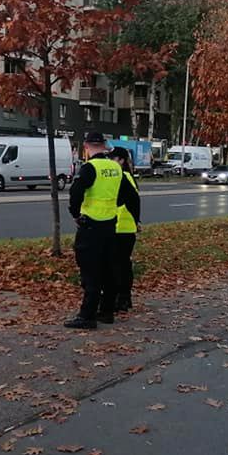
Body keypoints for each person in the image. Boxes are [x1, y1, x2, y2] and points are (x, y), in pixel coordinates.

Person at [65, 131, 141, 329]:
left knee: (90, 270)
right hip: (110, 225)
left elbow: (76, 192)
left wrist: (75, 214)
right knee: (109, 269)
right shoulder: (115, 168)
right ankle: (107, 311)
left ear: (87, 147)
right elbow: (131, 195)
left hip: (90, 225)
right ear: (104, 146)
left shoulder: (90, 168)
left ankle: (87, 315)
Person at [107, 146, 140, 313]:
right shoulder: (127, 176)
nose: (109, 161)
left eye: (112, 158)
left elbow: (132, 202)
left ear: (120, 160)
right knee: (122, 265)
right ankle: (124, 298)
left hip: (121, 227)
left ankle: (122, 298)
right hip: (124, 227)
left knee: (119, 266)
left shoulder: (123, 177)